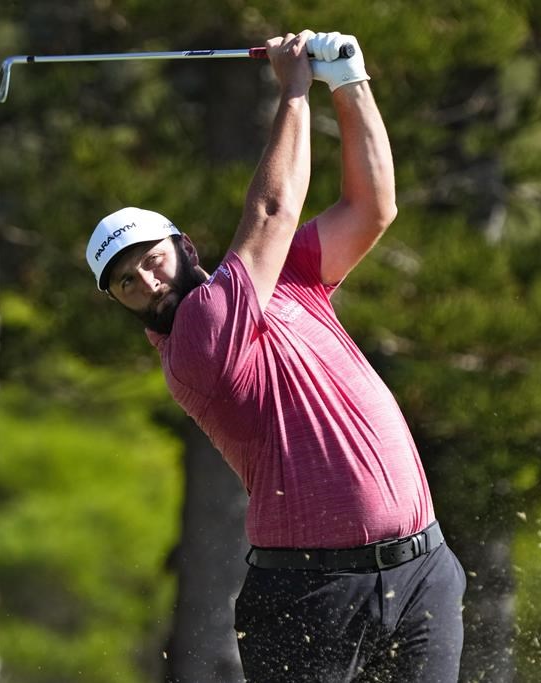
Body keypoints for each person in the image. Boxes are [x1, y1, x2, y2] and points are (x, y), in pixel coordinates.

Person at [85, 30, 466, 683]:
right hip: (309, 597)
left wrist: (349, 82)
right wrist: (295, 89)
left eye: (150, 260)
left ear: (183, 245)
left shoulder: (288, 277)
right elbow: (273, 207)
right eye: (125, 281)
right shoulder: (196, 342)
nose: (146, 281)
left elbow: (373, 208)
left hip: (421, 571)